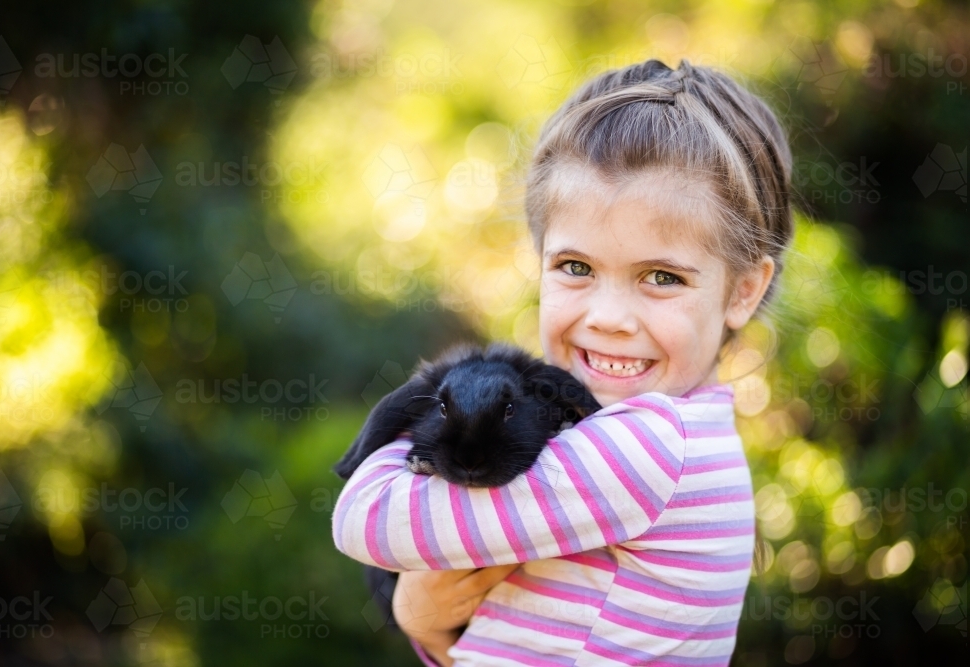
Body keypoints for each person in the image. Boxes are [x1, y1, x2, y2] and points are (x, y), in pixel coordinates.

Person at [333, 58, 794, 666]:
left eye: (661, 276)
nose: (608, 317)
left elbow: (364, 520)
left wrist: (423, 410)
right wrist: (433, 629)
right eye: (576, 268)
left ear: (742, 290)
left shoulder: (651, 452)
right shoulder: (641, 444)